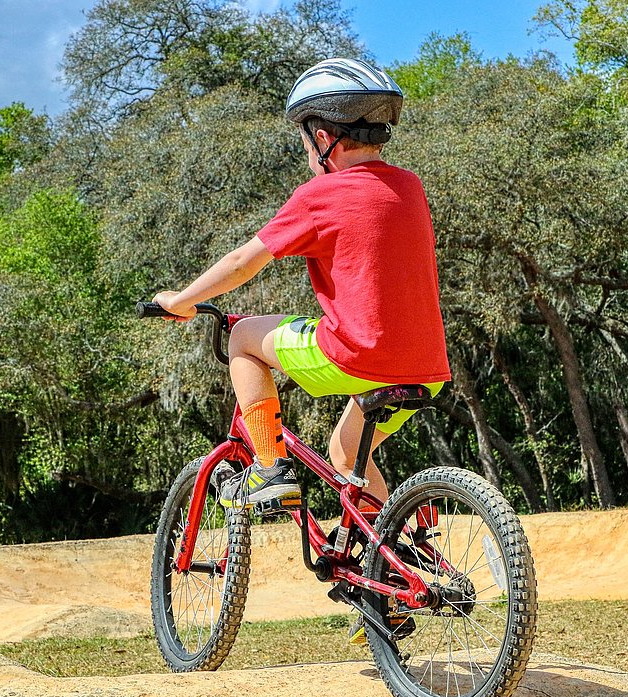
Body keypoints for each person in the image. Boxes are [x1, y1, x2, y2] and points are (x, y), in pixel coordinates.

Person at [152, 57, 451, 515]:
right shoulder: (410, 187)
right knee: (348, 454)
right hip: (426, 368)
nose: (308, 155)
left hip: (356, 355)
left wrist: (181, 300)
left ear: (324, 138)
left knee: (243, 338)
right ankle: (394, 560)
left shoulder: (320, 195)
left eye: (306, 143)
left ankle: (271, 469)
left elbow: (240, 264)